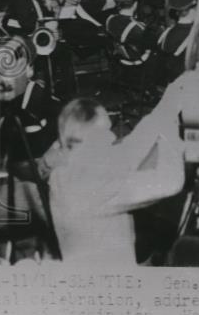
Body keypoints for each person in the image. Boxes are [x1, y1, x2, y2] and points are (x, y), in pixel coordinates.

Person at [47, 88, 185, 264]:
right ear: (89, 141)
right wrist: (170, 131)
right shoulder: (90, 186)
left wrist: (171, 100)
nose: (112, 135)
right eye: (105, 132)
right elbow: (170, 181)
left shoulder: (68, 171)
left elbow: (129, 149)